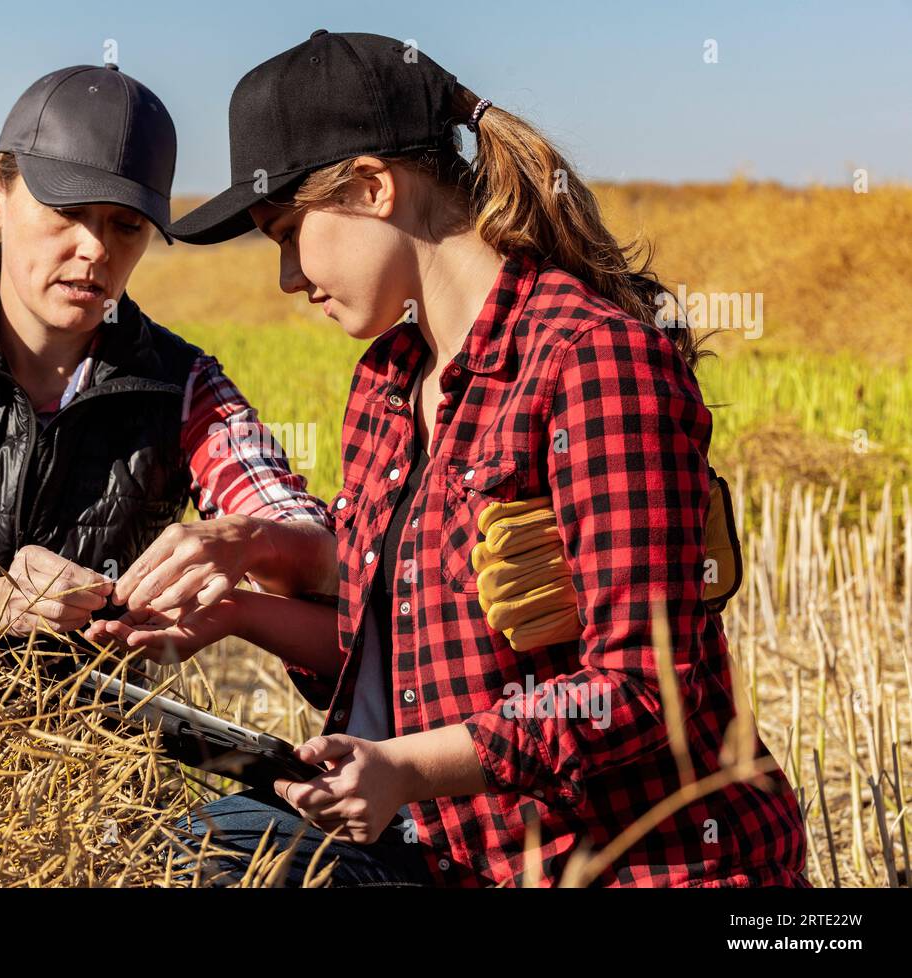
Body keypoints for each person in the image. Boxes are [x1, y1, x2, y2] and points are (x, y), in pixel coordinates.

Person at [96, 31, 810, 888]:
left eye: (289, 234)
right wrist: (234, 615)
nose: (288, 277)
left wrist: (405, 771)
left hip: (632, 866)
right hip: (458, 852)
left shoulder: (592, 364)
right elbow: (395, 649)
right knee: (182, 850)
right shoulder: (388, 384)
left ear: (372, 186)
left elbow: (643, 689)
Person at [0, 62, 336, 662]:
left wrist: (251, 539)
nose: (95, 249)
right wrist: (1, 604)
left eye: (127, 225)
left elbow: (321, 551)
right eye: (67, 211)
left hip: (101, 743)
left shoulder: (184, 385)